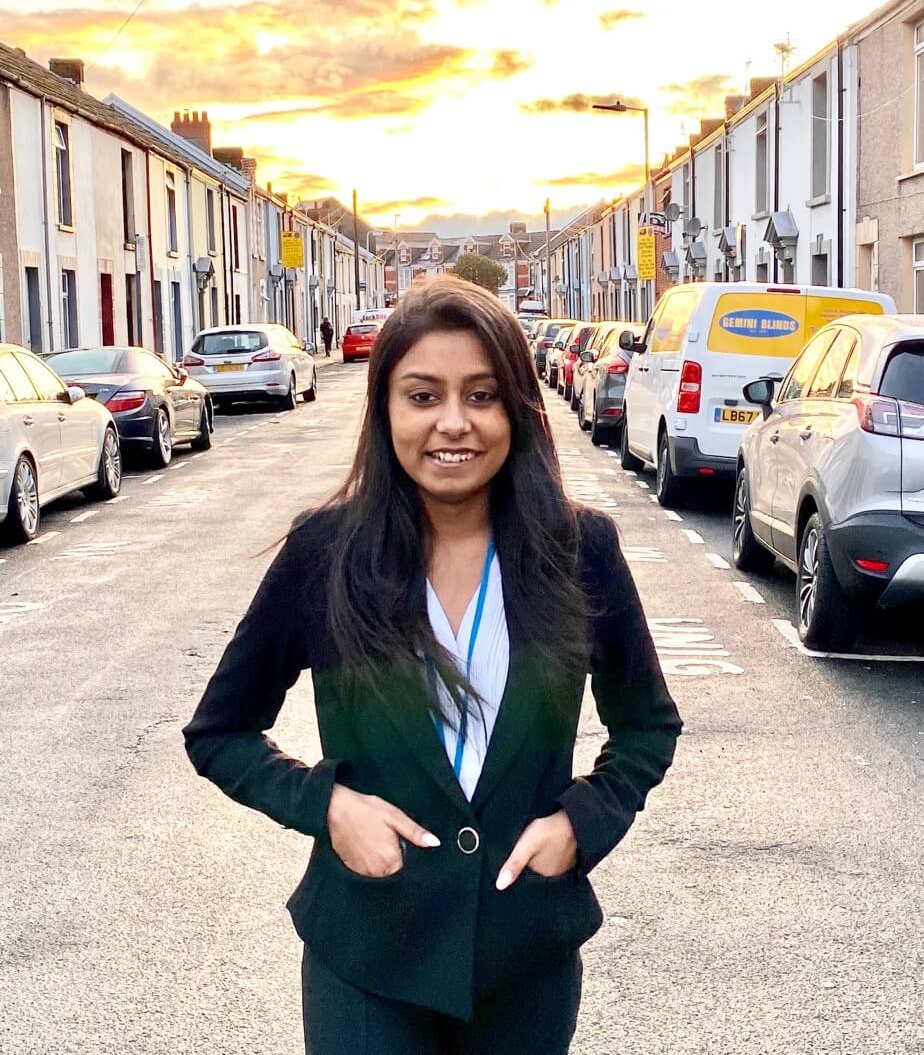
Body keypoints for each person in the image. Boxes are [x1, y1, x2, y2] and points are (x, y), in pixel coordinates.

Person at [183, 276, 682, 1055]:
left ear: (516, 409)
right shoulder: (325, 553)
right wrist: (328, 808)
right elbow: (219, 732)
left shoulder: (580, 551)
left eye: (481, 396)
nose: (454, 423)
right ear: (386, 411)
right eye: (423, 397)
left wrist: (581, 826)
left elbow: (647, 725)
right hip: (367, 959)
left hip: (526, 959)